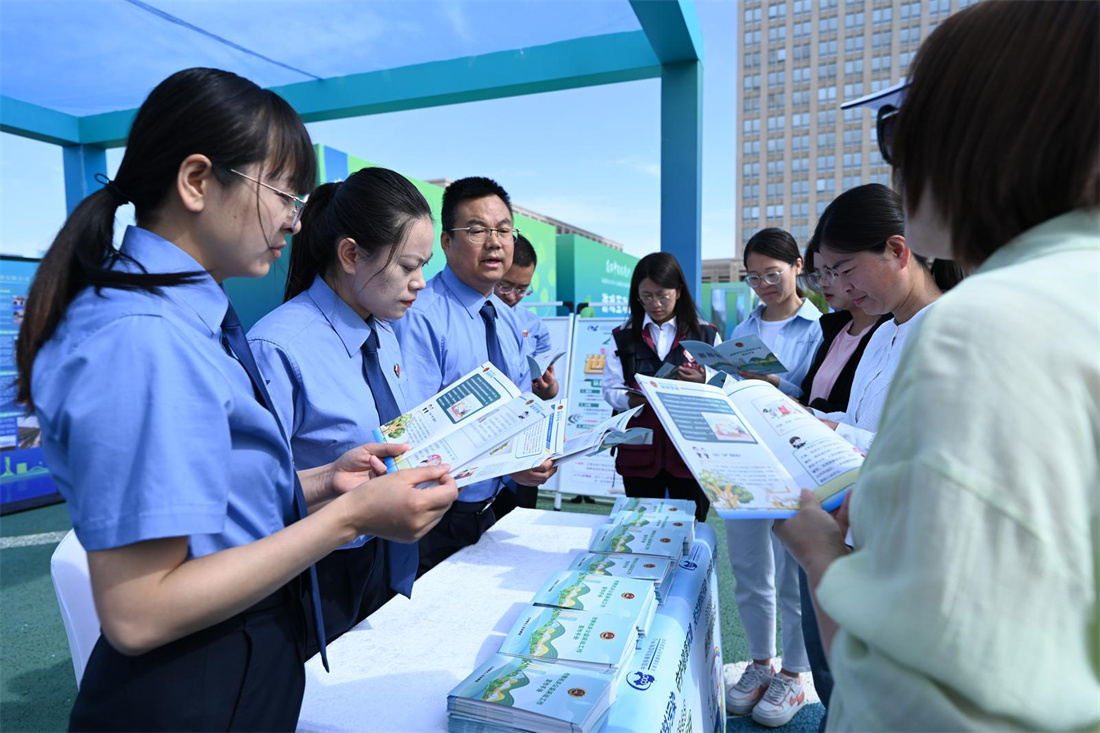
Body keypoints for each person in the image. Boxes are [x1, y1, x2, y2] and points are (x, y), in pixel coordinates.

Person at [14, 68, 457, 731]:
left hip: (233, 665)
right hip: (192, 687)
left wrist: (322, 483)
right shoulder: (140, 336)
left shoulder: (182, 320)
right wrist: (348, 518)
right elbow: (139, 611)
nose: (295, 219)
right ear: (197, 181)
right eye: (282, 193)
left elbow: (210, 505)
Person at [775, 2, 1099, 730]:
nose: (894, 161)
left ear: (977, 137)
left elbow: (917, 699)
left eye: (897, 129)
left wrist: (820, 552)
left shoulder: (984, 326)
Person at [248, 166, 435, 649]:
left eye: (424, 266)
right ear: (350, 255)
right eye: (407, 266)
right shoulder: (279, 348)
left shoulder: (386, 333)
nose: (420, 283)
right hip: (315, 569)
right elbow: (250, 492)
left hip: (385, 551)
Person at [394, 176, 555, 574]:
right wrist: (504, 462)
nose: (494, 243)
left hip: (501, 504)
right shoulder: (420, 317)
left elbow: (519, 406)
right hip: (441, 516)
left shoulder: (508, 318)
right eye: (477, 230)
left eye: (504, 230)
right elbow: (416, 437)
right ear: (446, 242)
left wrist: (534, 452)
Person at [723, 228, 822, 727]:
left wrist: (775, 382)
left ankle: (795, 673)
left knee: (793, 575)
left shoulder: (820, 328)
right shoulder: (743, 328)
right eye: (753, 277)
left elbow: (820, 395)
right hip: (742, 461)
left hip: (794, 464)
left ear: (798, 267)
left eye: (772, 274)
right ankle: (760, 664)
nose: (763, 285)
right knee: (747, 569)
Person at [810, 184, 943, 454]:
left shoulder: (950, 333)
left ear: (896, 250)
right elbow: (857, 422)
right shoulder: (882, 334)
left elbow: (929, 453)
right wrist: (802, 417)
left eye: (847, 270)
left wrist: (834, 430)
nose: (844, 287)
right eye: (834, 275)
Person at [601, 252, 717, 524]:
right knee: (639, 527)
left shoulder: (706, 334)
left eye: (663, 295)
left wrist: (702, 382)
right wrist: (635, 400)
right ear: (637, 296)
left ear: (678, 292)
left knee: (690, 527)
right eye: (647, 296)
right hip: (639, 452)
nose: (655, 304)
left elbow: (722, 386)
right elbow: (610, 389)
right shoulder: (623, 336)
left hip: (691, 454)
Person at [491, 233, 556, 517]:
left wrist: (549, 389)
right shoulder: (473, 319)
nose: (513, 296)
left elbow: (548, 386)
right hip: (487, 438)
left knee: (521, 518)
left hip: (525, 434)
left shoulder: (533, 324)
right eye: (505, 286)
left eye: (522, 289)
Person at [798, 246, 889, 414]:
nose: (822, 283)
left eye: (831, 272)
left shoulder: (889, 333)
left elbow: (863, 414)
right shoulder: (835, 330)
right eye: (818, 274)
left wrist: (807, 412)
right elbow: (809, 394)